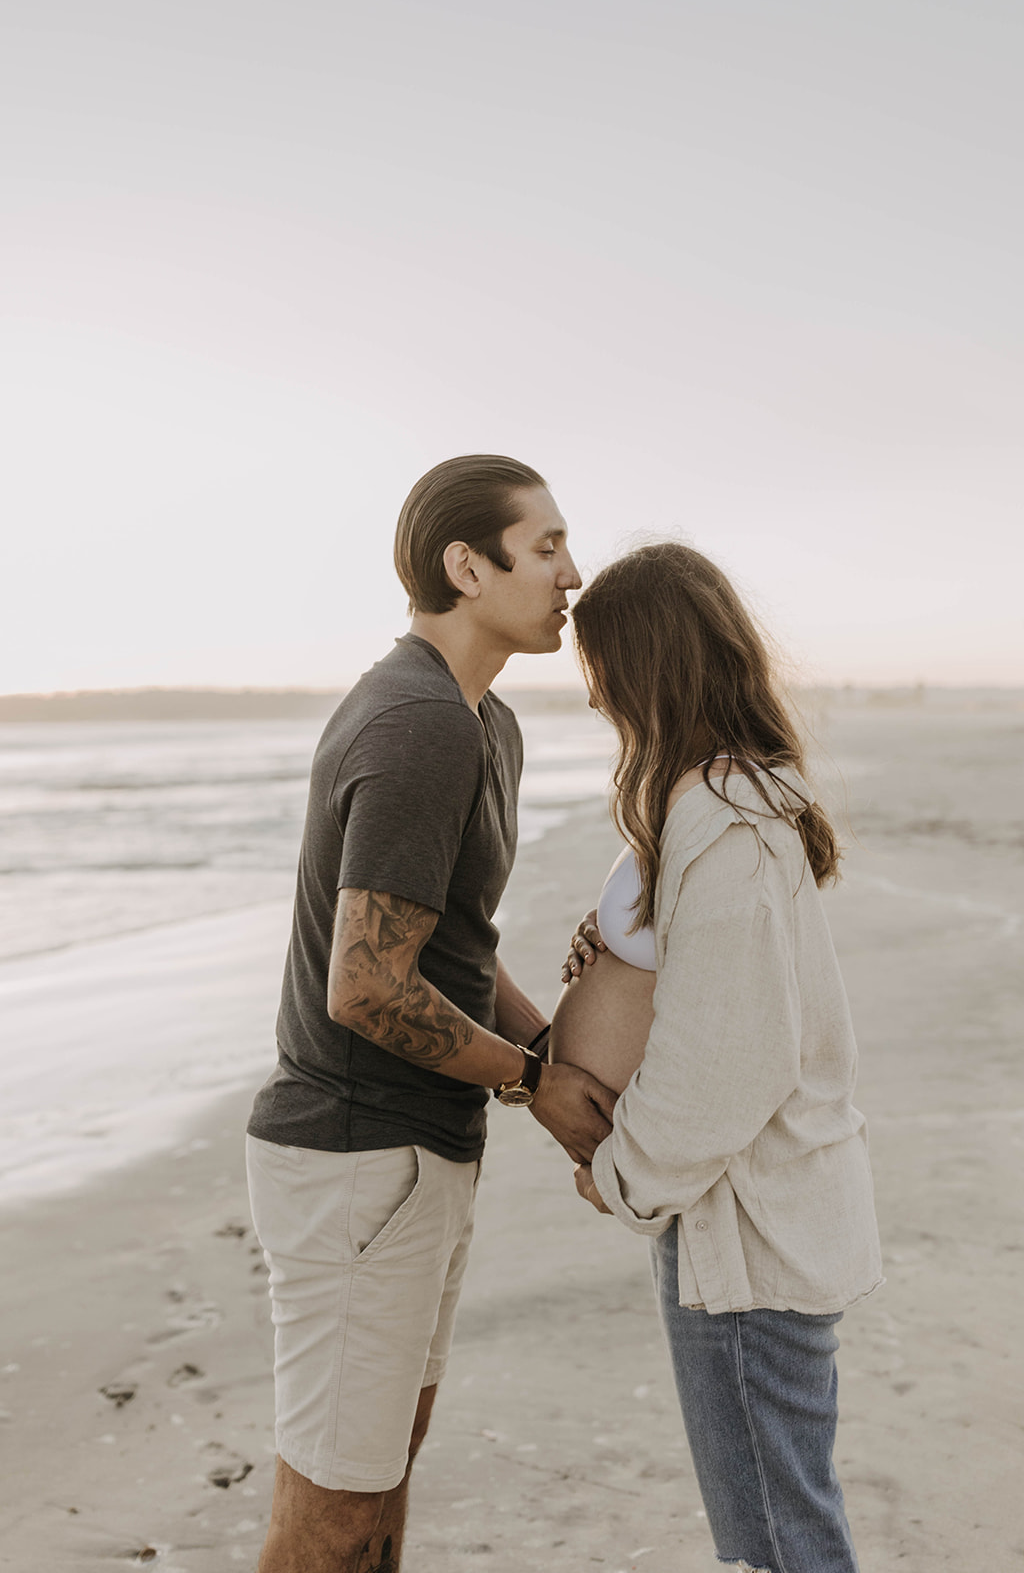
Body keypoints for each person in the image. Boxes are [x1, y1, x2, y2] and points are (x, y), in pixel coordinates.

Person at [245, 455, 616, 1573]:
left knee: (383, 1467)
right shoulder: (418, 723)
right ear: (468, 563)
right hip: (357, 1151)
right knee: (338, 1507)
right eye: (544, 546)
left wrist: (561, 1049)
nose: (571, 573)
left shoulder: (484, 723)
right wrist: (529, 1082)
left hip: (415, 1152)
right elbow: (362, 986)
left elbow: (450, 951)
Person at [554, 542, 882, 1573]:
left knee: (778, 1540)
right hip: (730, 1213)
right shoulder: (717, 800)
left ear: (644, 664)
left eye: (603, 667)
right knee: (772, 1529)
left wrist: (622, 1177)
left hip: (742, 1227)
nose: (596, 694)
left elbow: (729, 1063)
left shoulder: (724, 819)